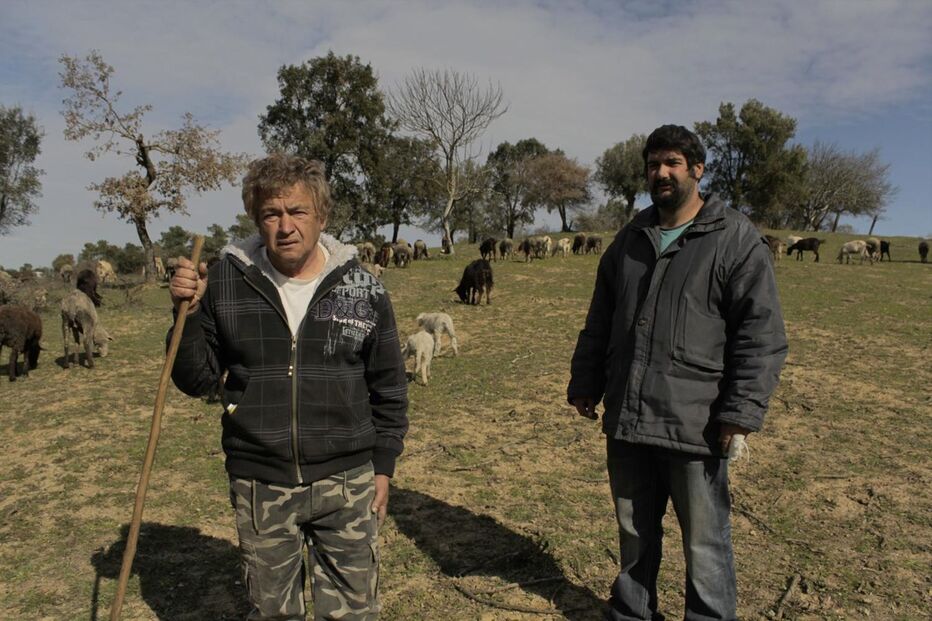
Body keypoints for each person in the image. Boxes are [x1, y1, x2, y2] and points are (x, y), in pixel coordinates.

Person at [169, 154, 408, 620]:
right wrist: (189, 315)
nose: (285, 226)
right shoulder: (224, 282)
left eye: (297, 212)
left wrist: (384, 463)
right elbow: (196, 380)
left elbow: (390, 387)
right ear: (257, 220)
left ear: (322, 216)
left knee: (354, 613)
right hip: (260, 481)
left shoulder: (363, 289)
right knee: (273, 613)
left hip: (348, 481)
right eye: (271, 214)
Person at [567, 125, 787, 621]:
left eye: (671, 163)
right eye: (652, 164)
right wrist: (586, 381)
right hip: (628, 415)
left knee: (706, 544)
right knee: (634, 536)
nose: (660, 173)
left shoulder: (734, 239)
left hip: (697, 424)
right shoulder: (629, 239)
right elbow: (601, 317)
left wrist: (740, 413)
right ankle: (631, 614)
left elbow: (761, 334)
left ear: (697, 170)